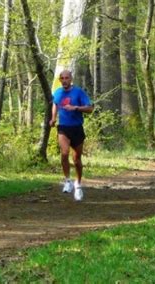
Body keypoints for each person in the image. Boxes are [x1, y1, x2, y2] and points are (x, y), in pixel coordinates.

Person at [49, 70, 94, 201]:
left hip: (77, 128)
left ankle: (78, 184)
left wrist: (75, 108)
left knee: (77, 160)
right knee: (64, 153)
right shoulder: (57, 92)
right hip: (63, 128)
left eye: (66, 78)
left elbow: (90, 109)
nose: (64, 80)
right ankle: (67, 180)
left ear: (71, 79)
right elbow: (55, 104)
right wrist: (53, 118)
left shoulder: (79, 92)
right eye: (62, 78)